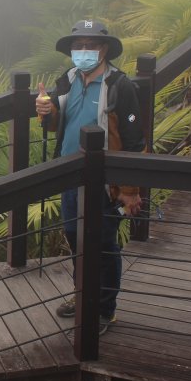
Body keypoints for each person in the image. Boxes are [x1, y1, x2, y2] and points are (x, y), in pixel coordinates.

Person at [34, 19, 145, 335]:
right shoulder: (68, 79)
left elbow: (134, 140)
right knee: (76, 239)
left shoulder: (120, 87)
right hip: (70, 175)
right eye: (77, 46)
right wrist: (46, 110)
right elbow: (58, 122)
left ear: (104, 49)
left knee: (104, 244)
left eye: (90, 46)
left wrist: (129, 189)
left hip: (105, 182)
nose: (82, 52)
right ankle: (83, 296)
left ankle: (103, 310)